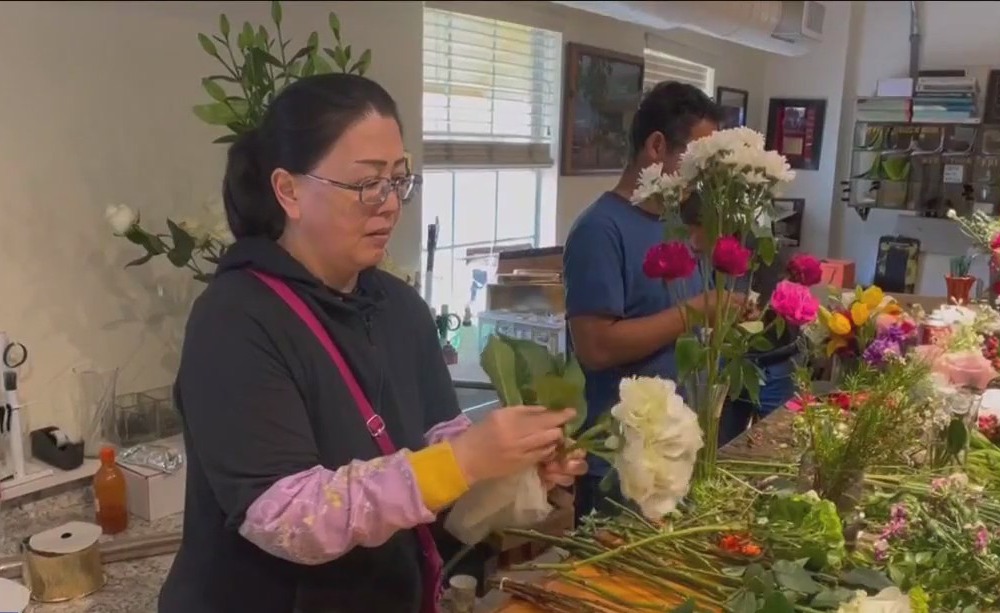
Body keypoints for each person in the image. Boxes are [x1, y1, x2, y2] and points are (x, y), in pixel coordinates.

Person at [158, 74, 586, 613]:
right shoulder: (235, 319)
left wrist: (510, 467)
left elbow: (441, 470)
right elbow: (288, 517)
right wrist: (463, 460)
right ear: (288, 190)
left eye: (398, 180)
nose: (388, 204)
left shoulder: (399, 308)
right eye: (366, 184)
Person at [563, 82, 731, 521]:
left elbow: (680, 323)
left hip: (676, 454)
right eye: (696, 159)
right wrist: (697, 309)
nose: (702, 174)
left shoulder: (672, 223)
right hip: (621, 465)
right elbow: (596, 347)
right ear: (657, 146)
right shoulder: (600, 230)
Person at [679, 194, 802, 446]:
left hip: (774, 362)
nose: (692, 243)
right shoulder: (696, 255)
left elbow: (761, 309)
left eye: (694, 232)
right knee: (722, 447)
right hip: (729, 361)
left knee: (777, 447)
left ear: (714, 224)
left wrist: (750, 313)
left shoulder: (754, 248)